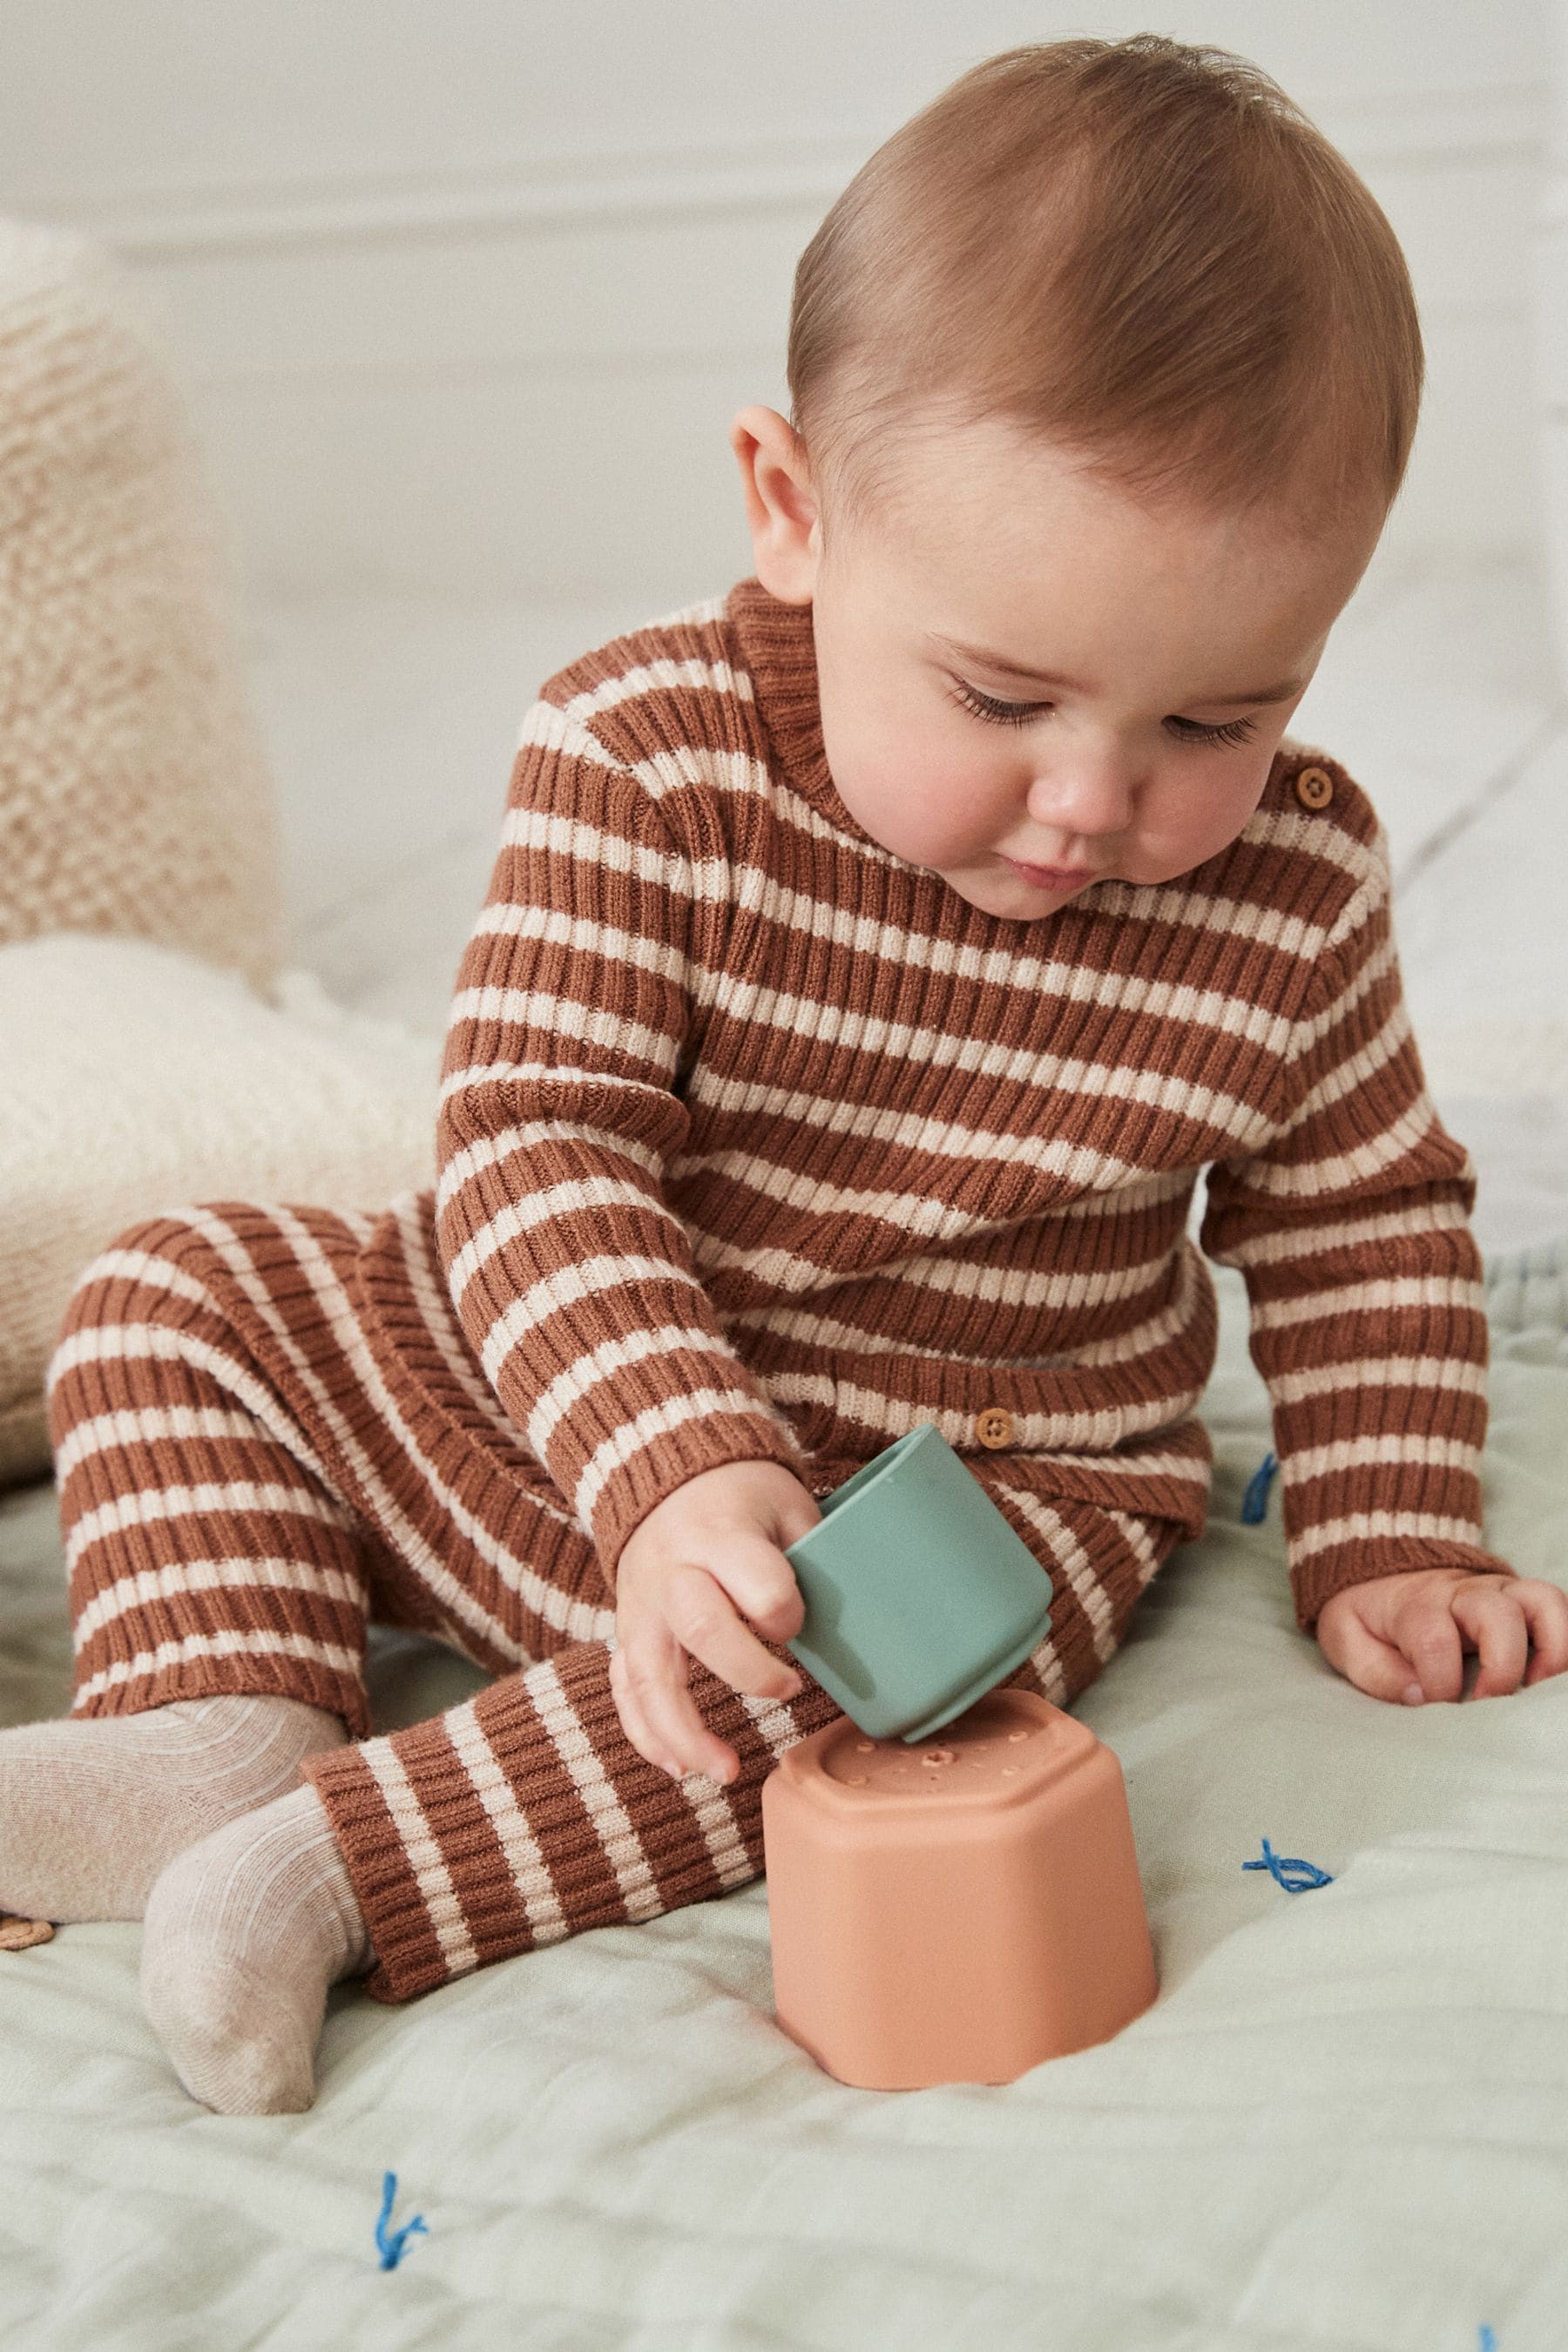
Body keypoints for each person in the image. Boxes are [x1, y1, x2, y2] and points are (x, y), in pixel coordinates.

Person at [6, 32, 1565, 2118]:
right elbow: (536, 1140)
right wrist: (666, 1462)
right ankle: (217, 1720)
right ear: (792, 512)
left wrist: (1395, 1531)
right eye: (1004, 693)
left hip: (979, 1481)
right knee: (178, 1288)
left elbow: (1363, 1212)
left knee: (907, 1668)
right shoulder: (644, 761)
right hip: (577, 1401)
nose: (1096, 799)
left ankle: (336, 1867)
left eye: (1221, 716)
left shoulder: (1291, 889)